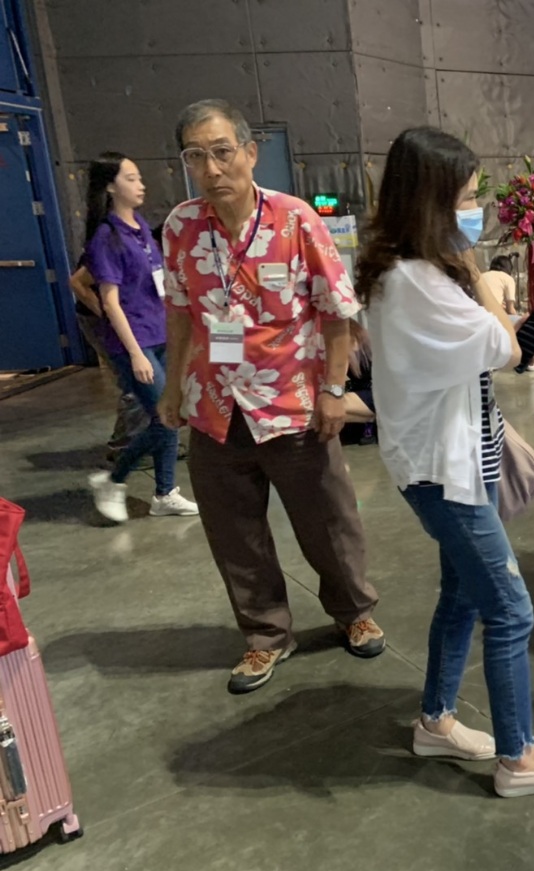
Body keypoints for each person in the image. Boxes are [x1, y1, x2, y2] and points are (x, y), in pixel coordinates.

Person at [359, 127, 534, 798]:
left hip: (463, 458)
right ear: (431, 202)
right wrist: (474, 271)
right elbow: (505, 347)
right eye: (465, 199)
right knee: (511, 611)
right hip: (444, 472)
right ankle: (519, 759)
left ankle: (435, 720)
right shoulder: (415, 281)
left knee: (463, 593)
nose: (475, 211)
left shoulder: (416, 272)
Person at [158, 99, 385, 695]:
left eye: (222, 151)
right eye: (196, 156)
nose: (211, 168)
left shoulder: (295, 219)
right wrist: (172, 385)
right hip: (214, 405)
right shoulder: (181, 226)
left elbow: (336, 312)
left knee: (327, 520)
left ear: (250, 152)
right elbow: (179, 313)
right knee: (234, 532)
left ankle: (354, 612)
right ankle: (265, 635)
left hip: (293, 403)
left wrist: (334, 390)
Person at [82, 152, 198, 523]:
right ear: (110, 186)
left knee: (170, 415)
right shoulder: (107, 238)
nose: (141, 185)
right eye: (131, 178)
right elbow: (110, 302)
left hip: (161, 332)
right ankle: (114, 480)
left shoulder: (141, 228)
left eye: (139, 177)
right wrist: (135, 353)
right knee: (165, 418)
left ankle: (165, 493)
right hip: (136, 342)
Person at [69, 262, 149, 456]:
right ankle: (125, 447)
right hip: (105, 321)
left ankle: (150, 441)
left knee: (149, 381)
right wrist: (110, 318)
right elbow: (77, 282)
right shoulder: (110, 247)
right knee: (136, 381)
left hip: (138, 321)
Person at [484, 254, 534, 371]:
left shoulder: (482, 276)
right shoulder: (507, 278)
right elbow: (510, 309)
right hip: (493, 319)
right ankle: (532, 360)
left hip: (479, 318)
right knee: (532, 324)